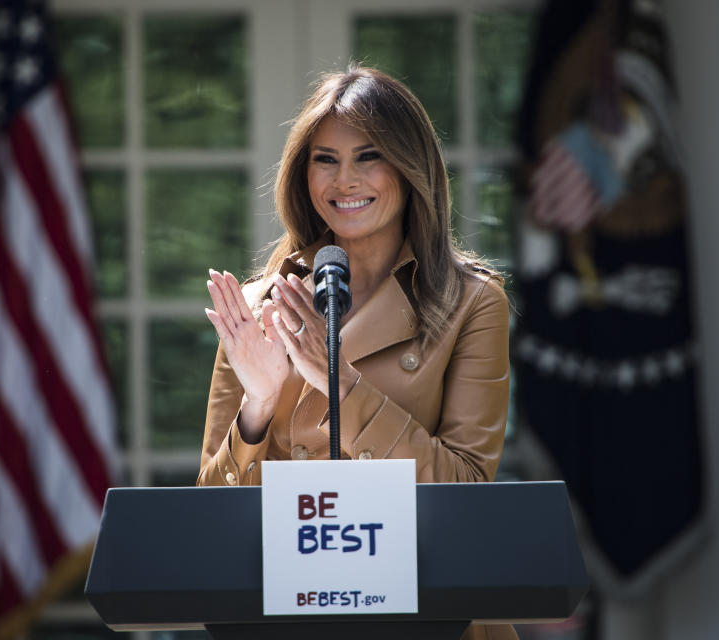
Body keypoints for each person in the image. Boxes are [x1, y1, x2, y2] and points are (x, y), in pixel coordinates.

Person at [199, 66, 515, 640]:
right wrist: (260, 407)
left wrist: (341, 383)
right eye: (325, 159)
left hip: (430, 617)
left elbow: (468, 494)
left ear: (410, 166)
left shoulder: (472, 303)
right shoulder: (259, 306)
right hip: (289, 621)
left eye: (369, 156)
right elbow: (213, 516)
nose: (344, 180)